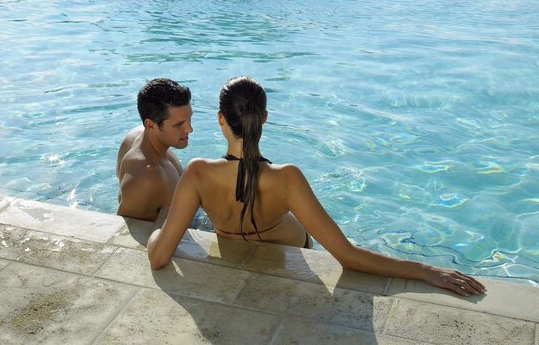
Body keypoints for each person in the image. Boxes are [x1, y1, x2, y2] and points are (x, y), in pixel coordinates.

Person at [147, 76, 486, 298]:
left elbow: (159, 256)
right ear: (264, 118)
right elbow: (348, 257)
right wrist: (426, 271)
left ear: (220, 119)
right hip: (297, 250)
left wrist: (161, 225)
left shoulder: (197, 173)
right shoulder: (287, 177)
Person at [116, 77, 194, 222]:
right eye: (179, 124)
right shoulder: (146, 178)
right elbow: (124, 232)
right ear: (151, 125)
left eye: (189, 119)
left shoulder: (137, 135)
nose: (190, 129)